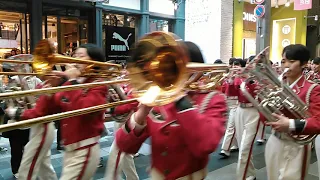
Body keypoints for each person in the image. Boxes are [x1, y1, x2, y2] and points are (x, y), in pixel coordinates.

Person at [115, 41, 228, 179]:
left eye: (173, 67)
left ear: (195, 68)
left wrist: (180, 98)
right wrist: (141, 114)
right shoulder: (160, 98)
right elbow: (125, 146)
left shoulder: (213, 99)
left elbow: (205, 145)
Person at [7, 44, 108, 179]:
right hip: (70, 149)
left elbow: (84, 109)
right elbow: (48, 109)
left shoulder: (98, 85)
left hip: (85, 149)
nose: (75, 60)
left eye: (81, 56)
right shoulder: (70, 84)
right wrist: (49, 88)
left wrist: (72, 80)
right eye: (75, 56)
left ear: (93, 61)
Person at [263, 44, 320, 180]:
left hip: (297, 144)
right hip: (274, 140)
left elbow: (318, 122)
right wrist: (263, 100)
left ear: (304, 64)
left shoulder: (313, 88)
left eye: (292, 61)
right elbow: (264, 118)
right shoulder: (277, 86)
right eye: (283, 61)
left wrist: (290, 124)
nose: (286, 66)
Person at [229, 55, 260, 180]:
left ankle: (241, 177)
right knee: (243, 147)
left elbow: (258, 93)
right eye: (248, 63)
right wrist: (231, 80)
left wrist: (248, 78)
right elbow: (231, 94)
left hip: (253, 111)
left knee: (245, 147)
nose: (249, 66)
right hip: (240, 110)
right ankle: (250, 174)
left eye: (252, 64)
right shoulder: (239, 78)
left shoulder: (258, 78)